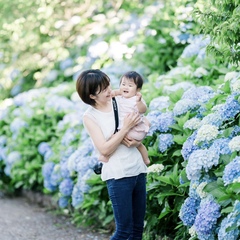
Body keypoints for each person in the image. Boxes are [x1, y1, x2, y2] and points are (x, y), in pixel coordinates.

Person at [76, 69, 148, 240]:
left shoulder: (119, 99)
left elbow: (142, 118)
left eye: (108, 85)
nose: (110, 90)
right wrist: (125, 128)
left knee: (137, 230)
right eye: (104, 89)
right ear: (92, 96)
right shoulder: (90, 117)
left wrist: (137, 142)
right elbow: (105, 149)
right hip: (118, 175)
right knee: (124, 232)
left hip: (138, 169)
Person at [99, 71, 150, 165]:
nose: (126, 87)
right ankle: (146, 160)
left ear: (138, 90)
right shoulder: (121, 97)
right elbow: (113, 93)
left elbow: (143, 110)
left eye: (130, 85)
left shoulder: (136, 99)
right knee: (139, 145)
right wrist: (119, 91)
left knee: (113, 137)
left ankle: (106, 156)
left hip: (134, 129)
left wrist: (139, 102)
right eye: (123, 84)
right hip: (130, 128)